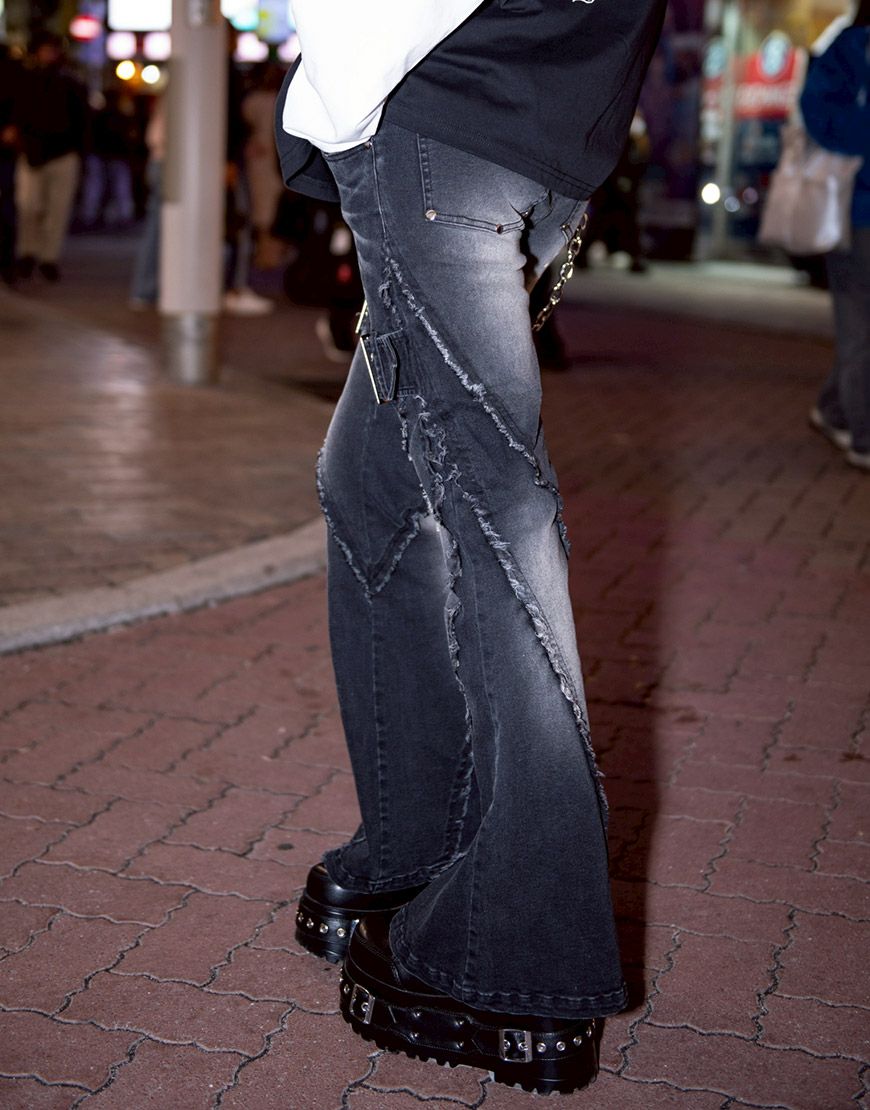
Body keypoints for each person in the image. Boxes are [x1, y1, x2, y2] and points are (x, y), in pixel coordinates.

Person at [277, 0, 665, 1094]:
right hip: (539, 118)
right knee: (372, 483)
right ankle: (416, 845)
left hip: (440, 115)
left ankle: (520, 949)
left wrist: (343, 103)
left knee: (495, 511)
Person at [801, 0, 870, 472]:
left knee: (859, 325)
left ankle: (834, 408)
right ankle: (863, 434)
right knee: (858, 322)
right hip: (855, 210)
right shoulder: (852, 47)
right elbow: (819, 111)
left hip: (859, 205)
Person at [12, 31, 88, 282]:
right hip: (32, 152)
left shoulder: (69, 83)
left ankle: (48, 257)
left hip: (63, 153)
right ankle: (27, 253)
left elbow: (81, 121)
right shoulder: (26, 80)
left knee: (57, 210)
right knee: (29, 206)